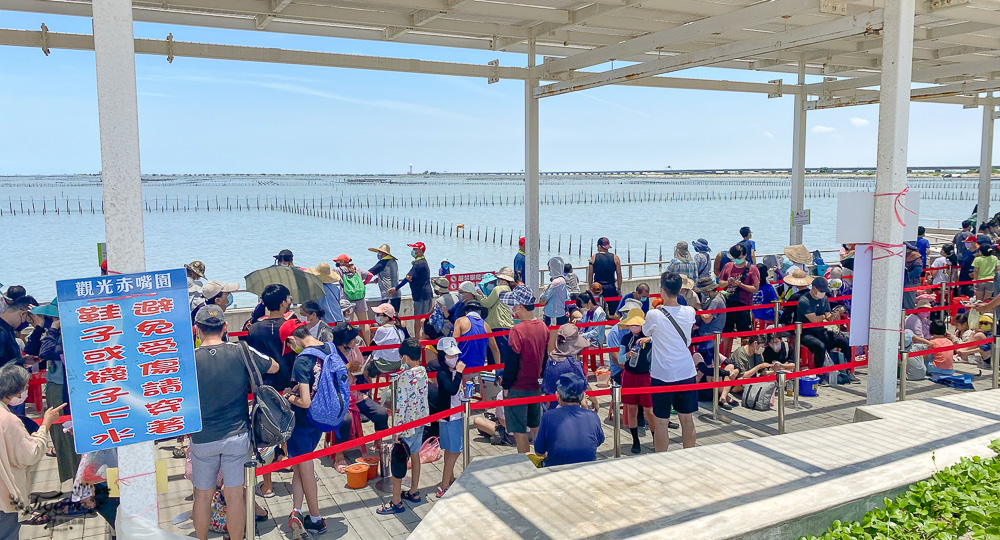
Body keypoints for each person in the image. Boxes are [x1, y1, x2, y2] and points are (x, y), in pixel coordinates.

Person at [191, 306, 279, 540]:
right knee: (234, 495)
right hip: (237, 435)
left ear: (196, 330)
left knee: (203, 495)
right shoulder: (240, 351)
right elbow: (273, 366)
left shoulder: (189, 359)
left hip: (202, 437)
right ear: (225, 327)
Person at [281, 321, 357, 537]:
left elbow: (304, 401)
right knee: (298, 467)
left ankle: (316, 519)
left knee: (306, 469)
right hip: (323, 417)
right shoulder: (329, 347)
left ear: (292, 339)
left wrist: (288, 395)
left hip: (304, 421)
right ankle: (296, 510)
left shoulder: (302, 360)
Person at [0, 363, 65, 540]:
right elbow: (30, 454)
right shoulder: (8, 420)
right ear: (16, 390)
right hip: (4, 497)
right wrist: (45, 425)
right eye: (26, 387)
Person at [642, 272, 698, 452]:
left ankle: (661, 459)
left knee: (661, 422)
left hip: (662, 374)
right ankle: (689, 454)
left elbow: (646, 332)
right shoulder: (690, 311)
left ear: (662, 291)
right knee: (687, 419)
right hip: (686, 371)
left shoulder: (654, 315)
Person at [377, 338, 429, 514]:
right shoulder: (423, 371)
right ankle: (414, 491)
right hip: (420, 422)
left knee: (398, 461)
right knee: (415, 455)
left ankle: (396, 500)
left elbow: (401, 404)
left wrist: (397, 431)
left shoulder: (404, 377)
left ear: (405, 358)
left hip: (406, 425)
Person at [502, 287, 548, 453]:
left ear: (520, 306)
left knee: (519, 432)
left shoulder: (516, 330)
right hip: (535, 385)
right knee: (536, 426)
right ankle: (543, 458)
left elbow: (511, 362)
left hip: (518, 387)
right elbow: (544, 359)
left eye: (513, 306)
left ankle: (525, 465)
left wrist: (506, 385)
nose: (512, 309)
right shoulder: (543, 326)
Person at [533, 373, 604, 467]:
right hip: (587, 469)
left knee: (528, 456)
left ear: (557, 395)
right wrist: (585, 408)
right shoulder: (593, 416)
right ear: (582, 396)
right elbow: (598, 442)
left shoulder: (549, 416)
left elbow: (538, 451)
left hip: (557, 471)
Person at [795, 277, 856, 379]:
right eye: (821, 291)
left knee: (845, 342)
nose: (823, 293)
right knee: (820, 346)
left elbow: (828, 318)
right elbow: (814, 319)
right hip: (806, 333)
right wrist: (824, 317)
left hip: (821, 331)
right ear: (814, 288)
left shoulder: (824, 299)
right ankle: (819, 374)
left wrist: (833, 314)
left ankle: (847, 371)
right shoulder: (804, 301)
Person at [617, 309, 656, 453]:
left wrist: (649, 339)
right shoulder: (626, 339)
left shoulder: (649, 337)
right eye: (631, 325)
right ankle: (635, 440)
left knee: (649, 411)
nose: (634, 328)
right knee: (631, 409)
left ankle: (655, 438)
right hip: (629, 376)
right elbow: (620, 359)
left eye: (636, 325)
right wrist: (628, 354)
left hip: (645, 376)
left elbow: (660, 338)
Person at [541, 324, 599, 411]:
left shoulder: (551, 359)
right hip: (567, 408)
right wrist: (595, 401)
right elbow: (585, 386)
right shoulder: (573, 364)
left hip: (548, 407)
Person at [434, 337, 465, 498]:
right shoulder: (443, 373)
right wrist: (459, 373)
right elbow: (452, 390)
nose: (454, 358)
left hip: (448, 415)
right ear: (442, 355)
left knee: (449, 450)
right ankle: (444, 485)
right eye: (450, 355)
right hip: (451, 417)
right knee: (455, 451)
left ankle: (450, 478)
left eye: (455, 355)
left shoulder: (449, 372)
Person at [718, 243, 760, 353]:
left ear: (745, 255)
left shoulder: (752, 269)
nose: (737, 260)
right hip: (728, 303)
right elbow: (720, 283)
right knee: (726, 331)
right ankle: (725, 357)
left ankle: (744, 355)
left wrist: (741, 285)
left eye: (740, 258)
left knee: (745, 334)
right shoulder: (728, 266)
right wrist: (728, 282)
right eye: (735, 258)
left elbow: (755, 288)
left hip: (744, 304)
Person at [388, 242, 434, 336]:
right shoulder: (423, 262)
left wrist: (396, 288)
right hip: (426, 293)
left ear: (420, 251)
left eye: (415, 249)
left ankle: (417, 338)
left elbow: (408, 278)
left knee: (419, 318)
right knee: (425, 317)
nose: (413, 251)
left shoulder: (418, 264)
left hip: (421, 295)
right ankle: (425, 336)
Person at [477, 267, 516, 363]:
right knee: (504, 355)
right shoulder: (509, 289)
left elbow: (487, 304)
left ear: (502, 279)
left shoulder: (498, 289)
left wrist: (477, 296)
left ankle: (496, 375)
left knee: (494, 353)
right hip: (507, 325)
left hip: (497, 325)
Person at [453, 301, 500, 371]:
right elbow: (495, 350)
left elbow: (454, 345)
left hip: (461, 367)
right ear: (480, 312)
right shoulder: (486, 326)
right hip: (478, 368)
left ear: (466, 312)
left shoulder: (460, 321)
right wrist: (498, 370)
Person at [693, 277, 726, 361]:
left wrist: (699, 308)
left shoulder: (715, 301)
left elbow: (707, 319)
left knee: (705, 362)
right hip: (708, 334)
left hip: (710, 335)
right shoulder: (717, 297)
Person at [0, 295, 38, 368]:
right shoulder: (2, 334)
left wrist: (22, 361)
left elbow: (5, 359)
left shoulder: (9, 330)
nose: (27, 325)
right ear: (23, 314)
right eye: (29, 321)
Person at [370, 303, 407, 374]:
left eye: (378, 315)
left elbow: (372, 347)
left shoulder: (382, 329)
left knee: (366, 370)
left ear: (386, 318)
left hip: (385, 365)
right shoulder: (399, 327)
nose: (376, 316)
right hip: (398, 363)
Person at [588, 237, 622, 314]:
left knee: (597, 311)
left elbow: (590, 274)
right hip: (611, 287)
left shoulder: (594, 258)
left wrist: (590, 286)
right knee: (613, 311)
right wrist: (619, 288)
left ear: (599, 246)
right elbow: (619, 275)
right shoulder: (615, 258)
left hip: (597, 288)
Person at [368, 244, 400, 312]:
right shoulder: (393, 261)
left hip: (388, 294)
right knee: (395, 315)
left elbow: (369, 272)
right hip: (397, 292)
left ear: (383, 253)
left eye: (379, 252)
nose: (378, 254)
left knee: (385, 316)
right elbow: (389, 274)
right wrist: (379, 278)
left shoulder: (382, 263)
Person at [539, 257, 569, 325]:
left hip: (553, 314)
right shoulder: (563, 280)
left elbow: (544, 298)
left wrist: (544, 292)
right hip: (560, 312)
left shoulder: (556, 282)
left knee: (552, 333)